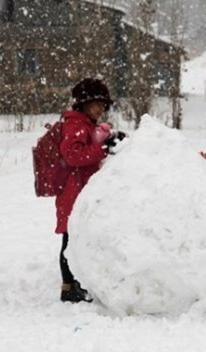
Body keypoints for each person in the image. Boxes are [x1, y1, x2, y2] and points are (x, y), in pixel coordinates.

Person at [55, 77, 125, 303]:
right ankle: (68, 288)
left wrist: (108, 139)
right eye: (96, 104)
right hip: (73, 193)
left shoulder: (85, 124)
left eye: (103, 106)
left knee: (78, 238)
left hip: (80, 192)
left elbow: (92, 143)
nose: (100, 110)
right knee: (70, 241)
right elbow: (73, 155)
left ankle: (77, 282)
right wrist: (102, 148)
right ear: (83, 103)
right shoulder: (75, 124)